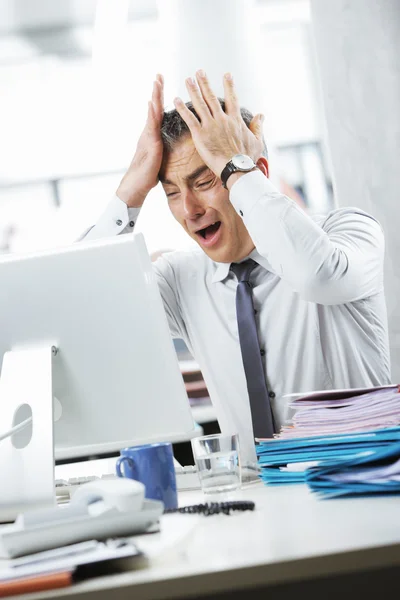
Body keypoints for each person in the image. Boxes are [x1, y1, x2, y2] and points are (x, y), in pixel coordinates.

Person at [83, 71, 390, 467]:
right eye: (173, 193)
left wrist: (235, 166)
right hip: (258, 508)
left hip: (363, 493)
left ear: (253, 172)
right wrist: (131, 189)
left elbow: (316, 275)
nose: (189, 210)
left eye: (206, 179)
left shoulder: (349, 232)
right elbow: (87, 314)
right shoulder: (180, 279)